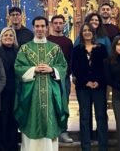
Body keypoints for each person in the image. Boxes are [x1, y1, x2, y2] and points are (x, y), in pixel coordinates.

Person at [14, 16, 69, 151]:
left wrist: (52, 69)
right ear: (33, 28)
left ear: (46, 27)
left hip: (50, 94)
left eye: (42, 26)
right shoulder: (25, 48)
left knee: (50, 123)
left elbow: (63, 66)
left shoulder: (55, 48)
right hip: (31, 95)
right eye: (37, 26)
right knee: (32, 122)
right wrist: (33, 69)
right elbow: (17, 68)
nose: (40, 29)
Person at [72, 23, 109, 151]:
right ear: (81, 33)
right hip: (83, 87)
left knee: (101, 116)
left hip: (99, 87)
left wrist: (98, 81)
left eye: (89, 30)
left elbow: (105, 68)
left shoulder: (101, 48)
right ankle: (86, 147)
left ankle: (103, 147)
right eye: (84, 30)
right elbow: (75, 69)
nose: (87, 32)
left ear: (93, 33)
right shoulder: (77, 49)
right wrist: (86, 82)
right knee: (84, 116)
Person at [0, 28, 20, 151]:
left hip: (16, 92)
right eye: (5, 35)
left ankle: (13, 148)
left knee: (14, 122)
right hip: (0, 93)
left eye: (11, 35)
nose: (8, 37)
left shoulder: (20, 51)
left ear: (14, 38)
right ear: (1, 38)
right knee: (1, 122)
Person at [47, 15, 74, 143]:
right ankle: (51, 131)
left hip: (64, 79)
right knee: (49, 105)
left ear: (64, 25)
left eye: (60, 23)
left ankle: (63, 131)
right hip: (48, 78)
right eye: (56, 23)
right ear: (52, 25)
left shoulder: (68, 42)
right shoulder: (47, 40)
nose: (58, 25)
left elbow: (71, 61)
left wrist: (64, 74)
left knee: (63, 105)